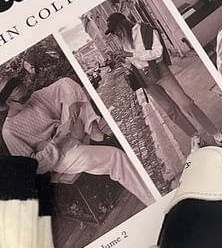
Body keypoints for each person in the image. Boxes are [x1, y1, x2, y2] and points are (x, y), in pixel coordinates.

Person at [0, 74, 152, 205]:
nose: (28, 99)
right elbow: (32, 167)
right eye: (22, 99)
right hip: (60, 156)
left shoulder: (35, 98)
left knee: (75, 99)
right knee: (116, 157)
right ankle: (152, 200)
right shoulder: (10, 131)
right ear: (8, 102)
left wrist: (73, 104)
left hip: (68, 133)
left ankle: (97, 136)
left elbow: (65, 83)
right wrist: (55, 142)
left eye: (27, 94)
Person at [105, 12, 222, 151]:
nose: (116, 34)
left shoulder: (147, 30)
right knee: (170, 110)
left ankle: (216, 134)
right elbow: (134, 63)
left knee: (186, 103)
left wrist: (131, 54)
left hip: (161, 72)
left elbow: (157, 53)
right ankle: (194, 137)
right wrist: (124, 61)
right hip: (145, 79)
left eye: (116, 30)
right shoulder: (125, 41)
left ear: (123, 25)